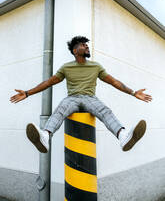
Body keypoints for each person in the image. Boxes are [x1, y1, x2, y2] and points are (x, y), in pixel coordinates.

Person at [10, 36, 152, 153]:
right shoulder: (66, 67)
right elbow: (48, 82)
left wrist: (133, 93)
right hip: (72, 98)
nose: (87, 47)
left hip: (90, 98)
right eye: (84, 45)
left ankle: (123, 136)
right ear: (75, 50)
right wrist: (27, 93)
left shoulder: (96, 66)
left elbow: (114, 82)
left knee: (105, 111)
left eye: (87, 45)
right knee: (60, 110)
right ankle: (44, 137)